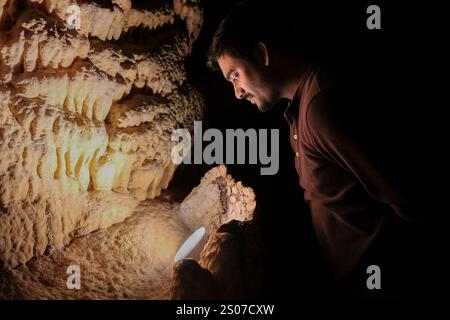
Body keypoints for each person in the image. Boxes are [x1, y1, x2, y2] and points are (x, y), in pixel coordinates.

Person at [206, 0, 425, 298]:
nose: (238, 92)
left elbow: (405, 196)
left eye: (236, 76)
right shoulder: (299, 109)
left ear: (261, 54)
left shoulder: (322, 108)